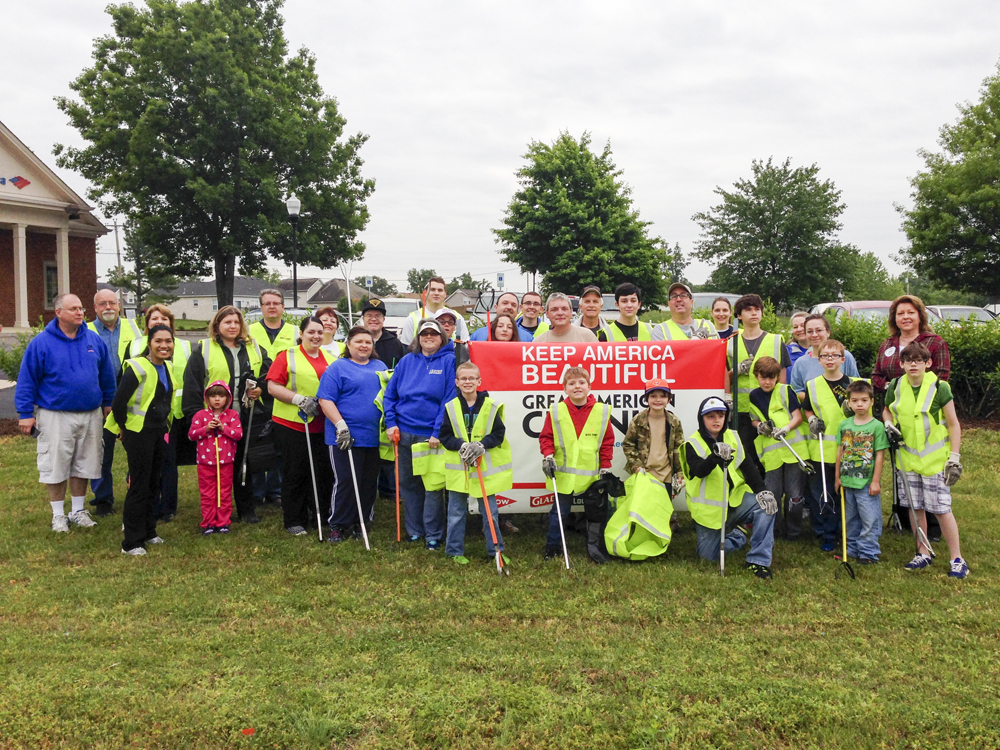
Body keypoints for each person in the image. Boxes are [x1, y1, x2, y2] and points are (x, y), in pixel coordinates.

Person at [15, 293, 115, 533]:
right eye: (73, 309)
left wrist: (109, 402)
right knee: (56, 464)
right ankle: (58, 514)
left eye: (81, 308)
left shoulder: (93, 340)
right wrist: (25, 413)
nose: (80, 313)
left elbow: (106, 375)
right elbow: (27, 379)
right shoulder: (41, 343)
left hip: (91, 414)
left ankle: (78, 510)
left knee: (85, 463)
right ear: (58, 312)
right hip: (55, 414)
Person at [882, 342, 967, 578]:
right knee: (915, 507)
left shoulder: (940, 387)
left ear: (928, 363)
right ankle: (923, 552)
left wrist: (954, 458)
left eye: (918, 360)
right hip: (907, 458)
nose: (913, 364)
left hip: (934, 461)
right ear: (901, 364)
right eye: (908, 360)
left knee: (941, 509)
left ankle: (957, 558)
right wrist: (888, 424)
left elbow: (953, 424)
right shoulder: (897, 386)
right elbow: (887, 410)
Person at [183, 305, 271, 524]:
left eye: (236, 322)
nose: (232, 326)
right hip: (216, 422)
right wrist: (196, 417)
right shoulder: (204, 349)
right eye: (227, 322)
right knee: (217, 467)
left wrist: (260, 388)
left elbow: (269, 375)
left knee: (244, 464)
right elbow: (192, 384)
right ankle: (215, 509)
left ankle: (246, 509)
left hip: (245, 418)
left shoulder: (255, 348)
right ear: (217, 325)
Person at [679, 396, 778, 579]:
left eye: (720, 415)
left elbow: (748, 467)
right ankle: (738, 535)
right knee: (707, 558)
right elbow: (699, 471)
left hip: (735, 500)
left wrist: (763, 490)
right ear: (702, 419)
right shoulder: (692, 444)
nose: (716, 420)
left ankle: (758, 561)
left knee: (766, 506)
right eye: (710, 416)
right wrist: (715, 457)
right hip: (710, 513)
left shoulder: (733, 436)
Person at [383, 319, 456, 548]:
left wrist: (437, 431)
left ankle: (433, 533)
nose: (428, 338)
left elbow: (449, 399)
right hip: (403, 432)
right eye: (424, 334)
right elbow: (390, 395)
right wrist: (391, 423)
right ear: (418, 337)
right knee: (408, 483)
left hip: (430, 436)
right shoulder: (406, 361)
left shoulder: (449, 361)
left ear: (441, 338)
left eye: (433, 334)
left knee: (432, 486)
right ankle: (414, 530)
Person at [107, 324, 177, 555]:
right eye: (158, 341)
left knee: (153, 482)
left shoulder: (168, 367)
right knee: (139, 485)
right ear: (149, 343)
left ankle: (149, 531)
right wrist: (125, 430)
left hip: (158, 432)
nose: (164, 345)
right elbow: (118, 404)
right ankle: (132, 542)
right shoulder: (137, 367)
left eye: (168, 341)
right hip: (137, 434)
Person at [318, 326, 389, 542]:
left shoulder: (380, 367)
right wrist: (340, 425)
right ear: (348, 345)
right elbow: (325, 399)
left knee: (368, 481)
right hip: (344, 436)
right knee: (346, 480)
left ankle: (362, 521)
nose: (364, 346)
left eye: (368, 342)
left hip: (373, 437)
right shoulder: (337, 368)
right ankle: (338, 523)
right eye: (358, 341)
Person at [266, 316, 335, 536]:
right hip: (292, 424)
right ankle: (294, 519)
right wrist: (299, 400)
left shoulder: (331, 358)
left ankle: (320, 514)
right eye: (311, 332)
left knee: (323, 472)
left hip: (322, 425)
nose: (316, 336)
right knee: (295, 472)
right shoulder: (288, 356)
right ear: (302, 334)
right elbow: (273, 386)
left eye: (319, 332)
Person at [123, 303, 191, 523]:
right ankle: (141, 507)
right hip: (140, 418)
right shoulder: (134, 346)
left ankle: (167, 507)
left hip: (173, 415)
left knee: (169, 462)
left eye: (164, 319)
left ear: (171, 323)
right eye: (154, 319)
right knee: (141, 466)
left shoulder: (185, 347)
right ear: (147, 324)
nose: (159, 322)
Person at [539, 367, 614, 563]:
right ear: (564, 389)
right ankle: (553, 547)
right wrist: (548, 456)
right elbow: (546, 437)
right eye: (572, 383)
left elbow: (607, 441)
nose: (577, 386)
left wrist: (605, 465)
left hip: (592, 475)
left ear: (589, 387)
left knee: (595, 515)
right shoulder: (556, 411)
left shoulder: (602, 411)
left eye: (581, 383)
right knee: (558, 514)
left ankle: (596, 548)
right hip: (563, 475)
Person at [439, 361, 511, 565]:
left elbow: (498, 434)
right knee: (455, 513)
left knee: (490, 513)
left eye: (472, 378)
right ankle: (454, 551)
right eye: (464, 378)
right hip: (459, 470)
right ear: (457, 382)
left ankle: (496, 551)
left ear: (479, 381)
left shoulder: (492, 406)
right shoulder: (450, 407)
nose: (468, 381)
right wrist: (461, 445)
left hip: (484, 468)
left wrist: (481, 444)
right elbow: (445, 436)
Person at [801, 339, 864, 552]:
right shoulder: (812, 385)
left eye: (834, 356)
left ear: (842, 359)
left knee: (846, 493)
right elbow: (807, 408)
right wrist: (810, 419)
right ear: (819, 360)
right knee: (824, 492)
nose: (830, 359)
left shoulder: (856, 384)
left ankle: (845, 532)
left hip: (851, 449)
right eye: (825, 356)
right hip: (822, 449)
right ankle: (825, 533)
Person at [86, 288, 141, 515]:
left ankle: (136, 490)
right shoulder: (86, 331)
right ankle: (103, 499)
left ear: (119, 305)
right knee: (101, 452)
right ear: (95, 308)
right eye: (102, 304)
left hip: (132, 400)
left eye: (112, 303)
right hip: (100, 402)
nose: (108, 307)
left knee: (137, 450)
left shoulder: (134, 328)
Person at [727, 294, 790, 472]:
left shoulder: (776, 340)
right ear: (739, 316)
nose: (754, 313)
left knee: (769, 456)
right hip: (741, 411)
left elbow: (783, 378)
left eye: (757, 309)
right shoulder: (730, 342)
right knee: (744, 457)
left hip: (767, 410)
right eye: (748, 310)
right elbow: (724, 376)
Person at [748, 356, 807, 540]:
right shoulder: (754, 396)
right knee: (772, 493)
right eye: (763, 377)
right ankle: (774, 530)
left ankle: (793, 531)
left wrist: (786, 428)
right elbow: (754, 419)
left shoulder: (785, 391)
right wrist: (758, 426)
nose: (767, 382)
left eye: (771, 378)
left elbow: (797, 417)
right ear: (756, 376)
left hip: (793, 452)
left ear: (777, 377)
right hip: (772, 454)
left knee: (794, 494)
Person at [247, 288, 294, 507]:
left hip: (285, 393)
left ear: (283, 307)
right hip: (257, 394)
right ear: (261, 307)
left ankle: (276, 490)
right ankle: (256, 491)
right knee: (257, 443)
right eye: (267, 303)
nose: (272, 306)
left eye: (276, 303)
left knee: (280, 444)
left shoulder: (294, 332)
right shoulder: (249, 331)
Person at [834, 380, 888, 565]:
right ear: (848, 402)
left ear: (871, 402)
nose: (859, 404)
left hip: (866, 483)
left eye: (864, 400)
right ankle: (851, 549)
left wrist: (875, 481)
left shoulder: (877, 427)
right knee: (850, 519)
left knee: (870, 518)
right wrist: (837, 478)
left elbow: (879, 455)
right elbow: (840, 452)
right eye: (855, 400)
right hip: (847, 481)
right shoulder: (844, 425)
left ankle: (868, 551)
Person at [188, 380, 243, 534]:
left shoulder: (233, 415)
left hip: (226, 462)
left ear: (228, 398)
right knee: (207, 493)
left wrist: (223, 428)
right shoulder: (200, 415)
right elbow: (192, 435)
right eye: (213, 396)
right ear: (207, 398)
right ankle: (208, 523)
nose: (217, 399)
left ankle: (223, 522)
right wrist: (205, 429)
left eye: (221, 396)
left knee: (224, 492)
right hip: (205, 463)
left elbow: (238, 434)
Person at [872, 294, 951, 397]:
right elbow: (876, 377)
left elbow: (941, 377)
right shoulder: (887, 345)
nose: (905, 317)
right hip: (892, 407)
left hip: (924, 405)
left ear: (920, 316)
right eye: (900, 313)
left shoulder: (936, 343)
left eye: (911, 312)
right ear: (894, 318)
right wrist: (891, 387)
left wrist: (914, 390)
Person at [622, 379, 684, 488]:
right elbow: (628, 445)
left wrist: (680, 472)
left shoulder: (674, 421)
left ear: (669, 399)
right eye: (653, 396)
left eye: (663, 396)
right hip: (644, 475)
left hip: (666, 476)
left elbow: (678, 448)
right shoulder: (638, 420)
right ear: (647, 399)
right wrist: (637, 467)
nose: (658, 400)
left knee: (664, 505)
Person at [789, 314, 861, 395]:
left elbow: (856, 385)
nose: (814, 335)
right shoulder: (801, 363)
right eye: (809, 331)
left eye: (819, 330)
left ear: (828, 332)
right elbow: (796, 391)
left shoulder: (844, 356)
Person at [400, 277, 470, 344]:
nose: (436, 293)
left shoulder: (458, 317)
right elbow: (407, 348)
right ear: (425, 293)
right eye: (432, 289)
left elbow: (464, 346)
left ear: (445, 294)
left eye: (440, 290)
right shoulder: (413, 319)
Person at [360, 298, 407, 370]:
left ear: (383, 319)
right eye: (369, 315)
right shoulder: (355, 342)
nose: (373, 319)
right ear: (363, 318)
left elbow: (404, 369)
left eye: (378, 315)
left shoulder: (394, 343)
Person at [534, 294, 598, 343]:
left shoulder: (587, 336)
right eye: (554, 309)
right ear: (547, 314)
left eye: (564, 309)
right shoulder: (538, 342)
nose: (560, 313)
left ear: (571, 312)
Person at [785, 311, 810, 381]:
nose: (799, 329)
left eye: (803, 325)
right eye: (795, 327)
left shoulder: (821, 352)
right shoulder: (785, 351)